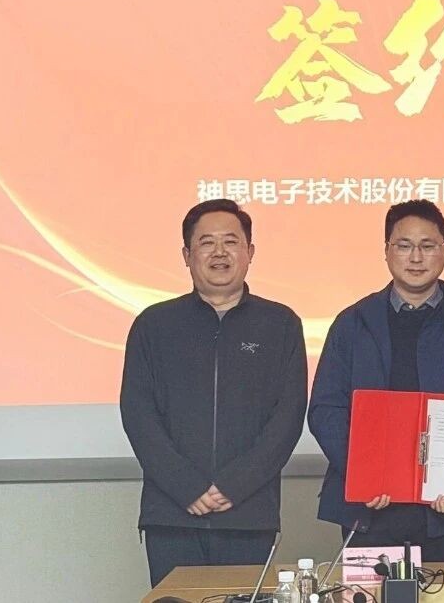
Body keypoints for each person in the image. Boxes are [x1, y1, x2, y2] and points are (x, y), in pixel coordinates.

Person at [307, 200, 444, 561]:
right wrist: (361, 475)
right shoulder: (353, 322)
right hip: (371, 511)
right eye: (404, 245)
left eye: (427, 245)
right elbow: (326, 408)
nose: (416, 257)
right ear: (387, 251)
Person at [120, 199, 308, 587]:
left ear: (250, 252)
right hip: (172, 515)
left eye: (231, 242)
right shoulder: (154, 325)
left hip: (248, 514)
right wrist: (186, 487)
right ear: (187, 255)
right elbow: (138, 414)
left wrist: (234, 486)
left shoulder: (280, 324)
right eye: (207, 242)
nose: (220, 252)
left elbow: (288, 417)